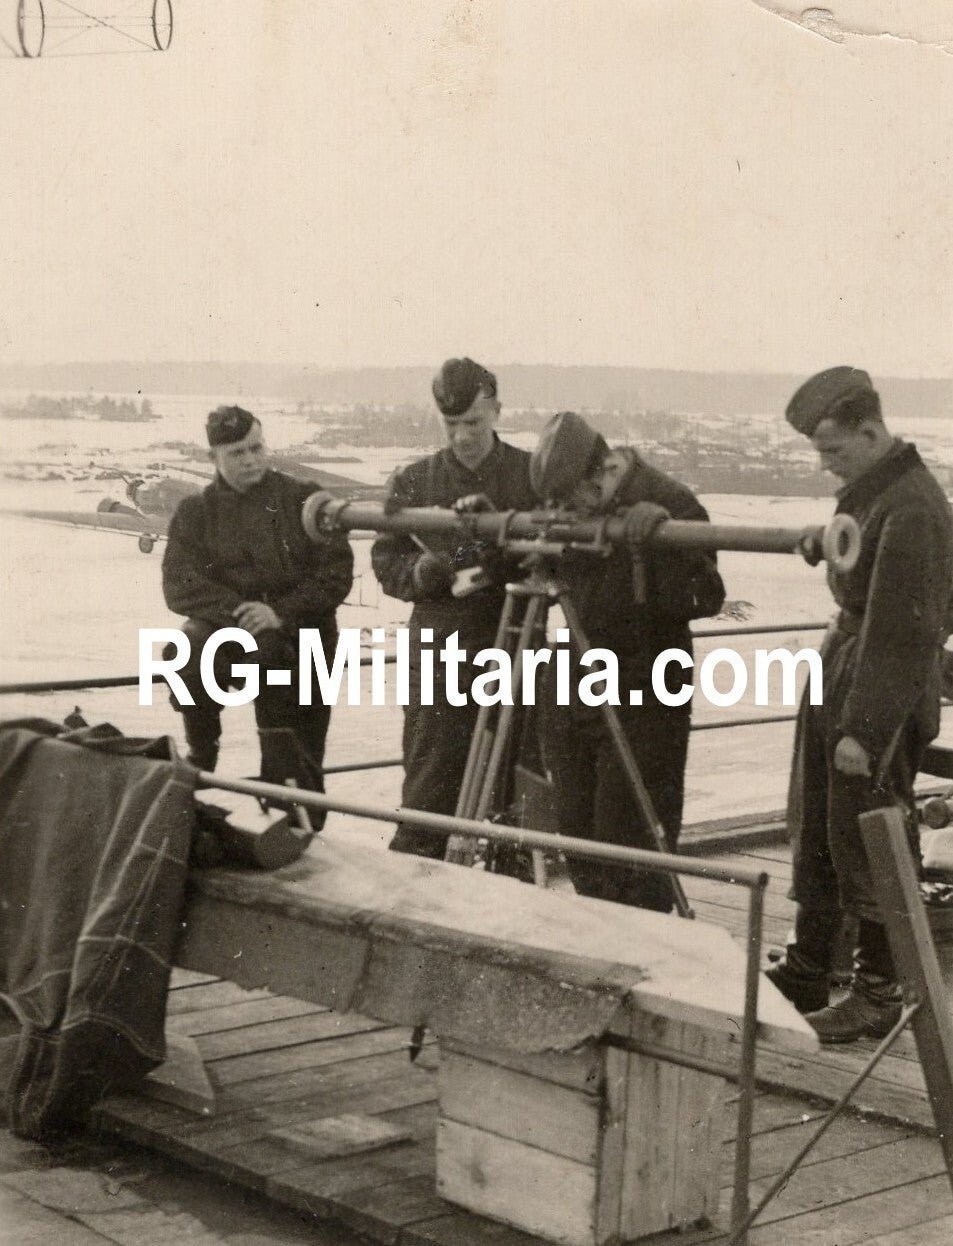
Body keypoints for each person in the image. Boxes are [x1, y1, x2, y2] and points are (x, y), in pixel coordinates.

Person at [767, 367, 953, 1043]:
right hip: (842, 669)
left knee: (864, 831)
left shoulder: (909, 508)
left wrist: (864, 732)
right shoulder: (873, 493)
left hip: (870, 687)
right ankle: (809, 966)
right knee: (818, 823)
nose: (824, 466)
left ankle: (877, 992)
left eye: (833, 451)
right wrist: (826, 541)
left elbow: (903, 634)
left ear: (870, 433)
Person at [529, 411, 726, 911]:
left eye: (568, 502)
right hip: (575, 676)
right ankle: (598, 940)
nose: (563, 513)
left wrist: (658, 544)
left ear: (599, 474)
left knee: (634, 837)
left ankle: (646, 953)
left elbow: (705, 597)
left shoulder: (673, 501)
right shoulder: (576, 499)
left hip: (646, 683)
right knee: (576, 829)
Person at [371, 357, 535, 858]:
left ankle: (512, 885)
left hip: (515, 639)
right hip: (439, 648)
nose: (462, 436)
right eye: (451, 424)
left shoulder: (530, 476)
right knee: (429, 780)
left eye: (473, 423)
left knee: (514, 784)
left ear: (497, 412)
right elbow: (386, 559)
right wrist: (421, 574)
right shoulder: (414, 481)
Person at [162, 406, 354, 795]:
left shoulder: (304, 501)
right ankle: (201, 757)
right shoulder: (196, 512)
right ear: (212, 457)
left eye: (256, 448)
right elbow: (178, 584)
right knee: (186, 649)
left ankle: (293, 810)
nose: (251, 460)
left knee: (296, 784)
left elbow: (336, 576)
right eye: (236, 453)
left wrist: (279, 612)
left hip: (303, 642)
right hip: (235, 635)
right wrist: (241, 613)